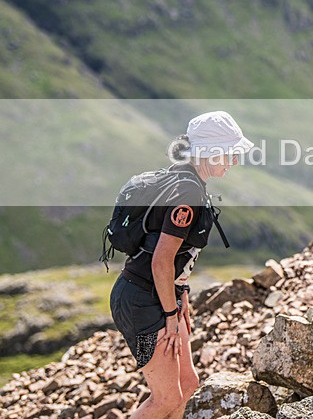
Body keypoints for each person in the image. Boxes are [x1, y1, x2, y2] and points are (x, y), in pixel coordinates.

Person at [109, 111, 253, 418]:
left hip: (160, 294)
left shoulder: (187, 181)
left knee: (187, 384)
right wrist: (171, 315)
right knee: (166, 399)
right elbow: (161, 261)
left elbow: (176, 259)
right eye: (230, 153)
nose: (234, 160)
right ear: (210, 152)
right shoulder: (188, 192)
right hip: (143, 299)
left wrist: (181, 294)